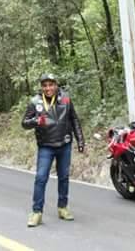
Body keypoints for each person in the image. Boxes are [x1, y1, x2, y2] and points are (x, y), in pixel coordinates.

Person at [21, 73, 85, 227]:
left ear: (56, 85)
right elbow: (24, 123)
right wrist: (36, 121)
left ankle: (62, 208)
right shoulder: (35, 102)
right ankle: (37, 212)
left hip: (64, 144)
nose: (48, 88)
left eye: (51, 85)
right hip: (46, 146)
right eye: (45, 85)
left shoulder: (66, 99)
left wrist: (80, 140)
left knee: (64, 177)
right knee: (41, 178)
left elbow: (74, 119)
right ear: (41, 87)